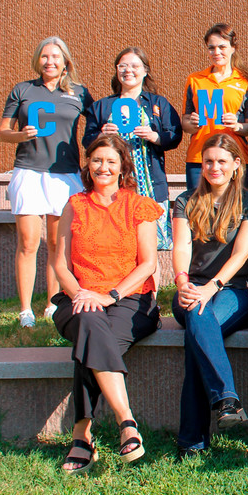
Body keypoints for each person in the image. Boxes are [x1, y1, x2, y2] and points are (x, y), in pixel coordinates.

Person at [50, 134, 163, 473]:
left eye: (111, 161)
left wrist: (110, 295)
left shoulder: (138, 205)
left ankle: (81, 435)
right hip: (80, 297)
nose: (103, 167)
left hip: (130, 299)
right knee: (88, 320)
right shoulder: (76, 204)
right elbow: (60, 263)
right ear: (88, 165)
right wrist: (80, 294)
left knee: (92, 334)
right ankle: (125, 420)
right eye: (97, 160)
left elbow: (148, 264)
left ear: (122, 167)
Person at [171, 134, 248, 459]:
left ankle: (191, 441)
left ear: (237, 165)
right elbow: (181, 246)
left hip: (235, 291)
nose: (214, 167)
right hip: (191, 288)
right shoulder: (185, 201)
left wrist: (213, 287)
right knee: (197, 317)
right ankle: (226, 399)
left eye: (222, 161)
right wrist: (182, 282)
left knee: (198, 326)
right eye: (208, 161)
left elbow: (240, 254)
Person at [0, 37, 93, 327]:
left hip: (65, 175)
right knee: (28, 242)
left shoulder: (79, 92)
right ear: (37, 60)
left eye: (55, 57)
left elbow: (96, 127)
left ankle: (52, 305)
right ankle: (25, 309)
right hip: (28, 171)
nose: (49, 62)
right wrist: (20, 135)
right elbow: (3, 131)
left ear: (66, 61)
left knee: (56, 241)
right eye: (44, 57)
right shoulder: (23, 89)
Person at [84, 47, 182, 257]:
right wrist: (101, 134)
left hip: (150, 185)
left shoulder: (158, 103)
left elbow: (175, 134)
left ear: (145, 71)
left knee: (151, 246)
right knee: (117, 241)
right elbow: (87, 141)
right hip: (114, 185)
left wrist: (155, 136)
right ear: (116, 71)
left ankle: (150, 291)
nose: (129, 70)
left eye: (135, 66)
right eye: (123, 66)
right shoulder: (102, 106)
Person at [182, 23, 248, 193]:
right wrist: (192, 123)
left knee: (236, 211)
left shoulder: (246, 81)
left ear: (233, 48)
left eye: (222, 47)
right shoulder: (195, 80)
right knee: (199, 211)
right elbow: (185, 122)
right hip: (199, 157)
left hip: (235, 157)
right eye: (211, 48)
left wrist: (237, 126)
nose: (216, 52)